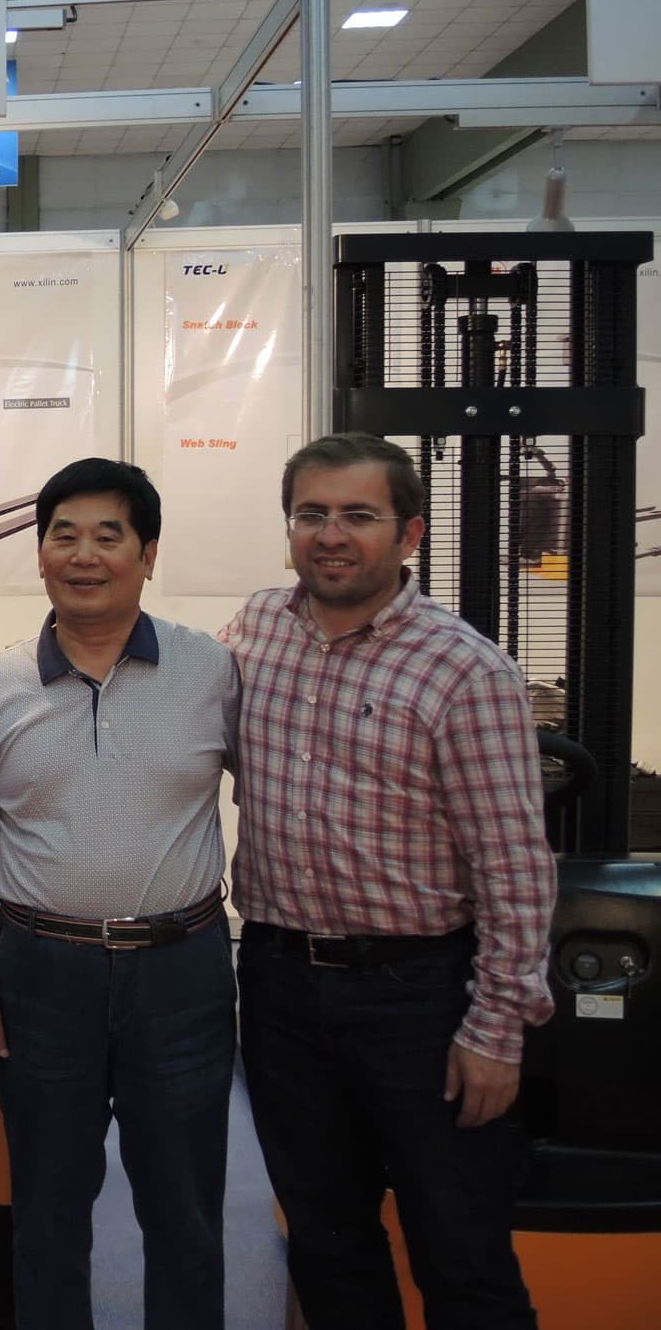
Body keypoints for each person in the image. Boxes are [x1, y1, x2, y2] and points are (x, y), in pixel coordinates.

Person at [221, 432, 557, 1330]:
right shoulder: (254, 630)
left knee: (463, 1256)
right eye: (312, 514)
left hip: (420, 999)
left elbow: (515, 870)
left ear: (409, 534)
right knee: (327, 1246)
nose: (331, 535)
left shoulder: (464, 669)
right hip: (280, 983)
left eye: (358, 516)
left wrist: (497, 1032)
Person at [0, 457, 240, 1330]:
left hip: (181, 975)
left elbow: (271, 796)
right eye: (63, 535)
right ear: (39, 555)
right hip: (41, 978)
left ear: (148, 554)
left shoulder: (211, 671)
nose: (84, 555)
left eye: (110, 536)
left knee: (186, 1215)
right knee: (48, 1217)